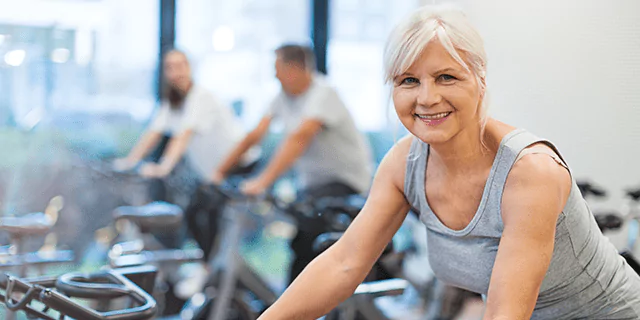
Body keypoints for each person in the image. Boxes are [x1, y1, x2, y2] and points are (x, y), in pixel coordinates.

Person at [257, 5, 640, 320]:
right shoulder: (403, 164)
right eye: (408, 80)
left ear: (480, 79)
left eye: (446, 77)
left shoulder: (529, 173)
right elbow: (343, 263)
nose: (427, 98)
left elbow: (505, 312)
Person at [211, 44, 374, 284]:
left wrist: (262, 182)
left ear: (296, 68)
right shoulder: (282, 97)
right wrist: (219, 172)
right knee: (299, 244)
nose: (274, 75)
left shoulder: (323, 93)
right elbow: (255, 135)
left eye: (278, 68)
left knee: (308, 241)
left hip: (345, 182)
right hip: (313, 185)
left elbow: (299, 138)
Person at [113, 49, 260, 274]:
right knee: (193, 214)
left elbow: (183, 135)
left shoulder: (200, 98)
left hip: (238, 168)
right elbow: (154, 131)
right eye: (170, 67)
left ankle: (211, 273)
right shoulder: (173, 102)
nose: (175, 72)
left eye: (180, 66)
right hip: (213, 173)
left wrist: (164, 167)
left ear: (190, 68)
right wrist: (130, 161)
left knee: (200, 213)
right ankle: (209, 272)